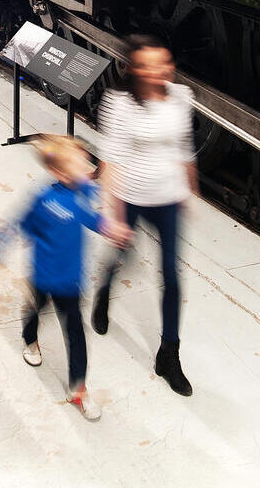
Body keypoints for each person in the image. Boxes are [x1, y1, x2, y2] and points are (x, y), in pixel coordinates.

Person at [92, 34, 198, 396]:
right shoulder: (120, 103)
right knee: (121, 256)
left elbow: (185, 148)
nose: (158, 71)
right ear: (135, 69)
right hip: (132, 196)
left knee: (172, 276)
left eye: (163, 63)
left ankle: (169, 354)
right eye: (149, 66)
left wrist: (191, 190)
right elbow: (111, 160)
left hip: (169, 198)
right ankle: (104, 292)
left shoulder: (181, 96)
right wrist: (114, 215)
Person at [12, 135, 129, 421]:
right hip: (43, 276)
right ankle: (30, 339)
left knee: (76, 333)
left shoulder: (82, 190)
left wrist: (110, 228)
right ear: (60, 173)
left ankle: (78, 388)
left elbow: (89, 217)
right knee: (35, 309)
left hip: (70, 281)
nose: (84, 169)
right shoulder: (44, 199)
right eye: (78, 165)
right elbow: (23, 224)